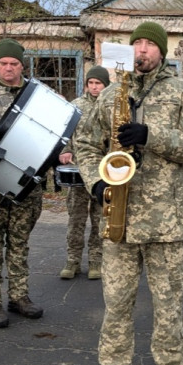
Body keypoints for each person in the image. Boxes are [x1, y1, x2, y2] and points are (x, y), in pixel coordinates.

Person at [75, 20, 183, 365]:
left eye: (150, 44)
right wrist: (96, 182)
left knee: (168, 315)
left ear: (163, 51)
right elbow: (83, 142)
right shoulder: (112, 93)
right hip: (120, 222)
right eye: (138, 44)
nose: (143, 50)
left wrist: (150, 134)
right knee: (116, 312)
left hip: (166, 225)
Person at [0, 39, 45, 329]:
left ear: (21, 65)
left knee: (19, 243)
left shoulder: (35, 94)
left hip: (27, 180)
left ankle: (19, 297)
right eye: (4, 63)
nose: (9, 68)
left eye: (14, 64)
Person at [58, 65, 110, 280]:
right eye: (91, 83)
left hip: (103, 171)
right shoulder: (76, 106)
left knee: (100, 218)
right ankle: (72, 261)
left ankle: (96, 260)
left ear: (105, 85)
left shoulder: (110, 106)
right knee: (76, 219)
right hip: (79, 171)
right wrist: (65, 150)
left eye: (98, 83)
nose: (94, 87)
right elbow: (64, 132)